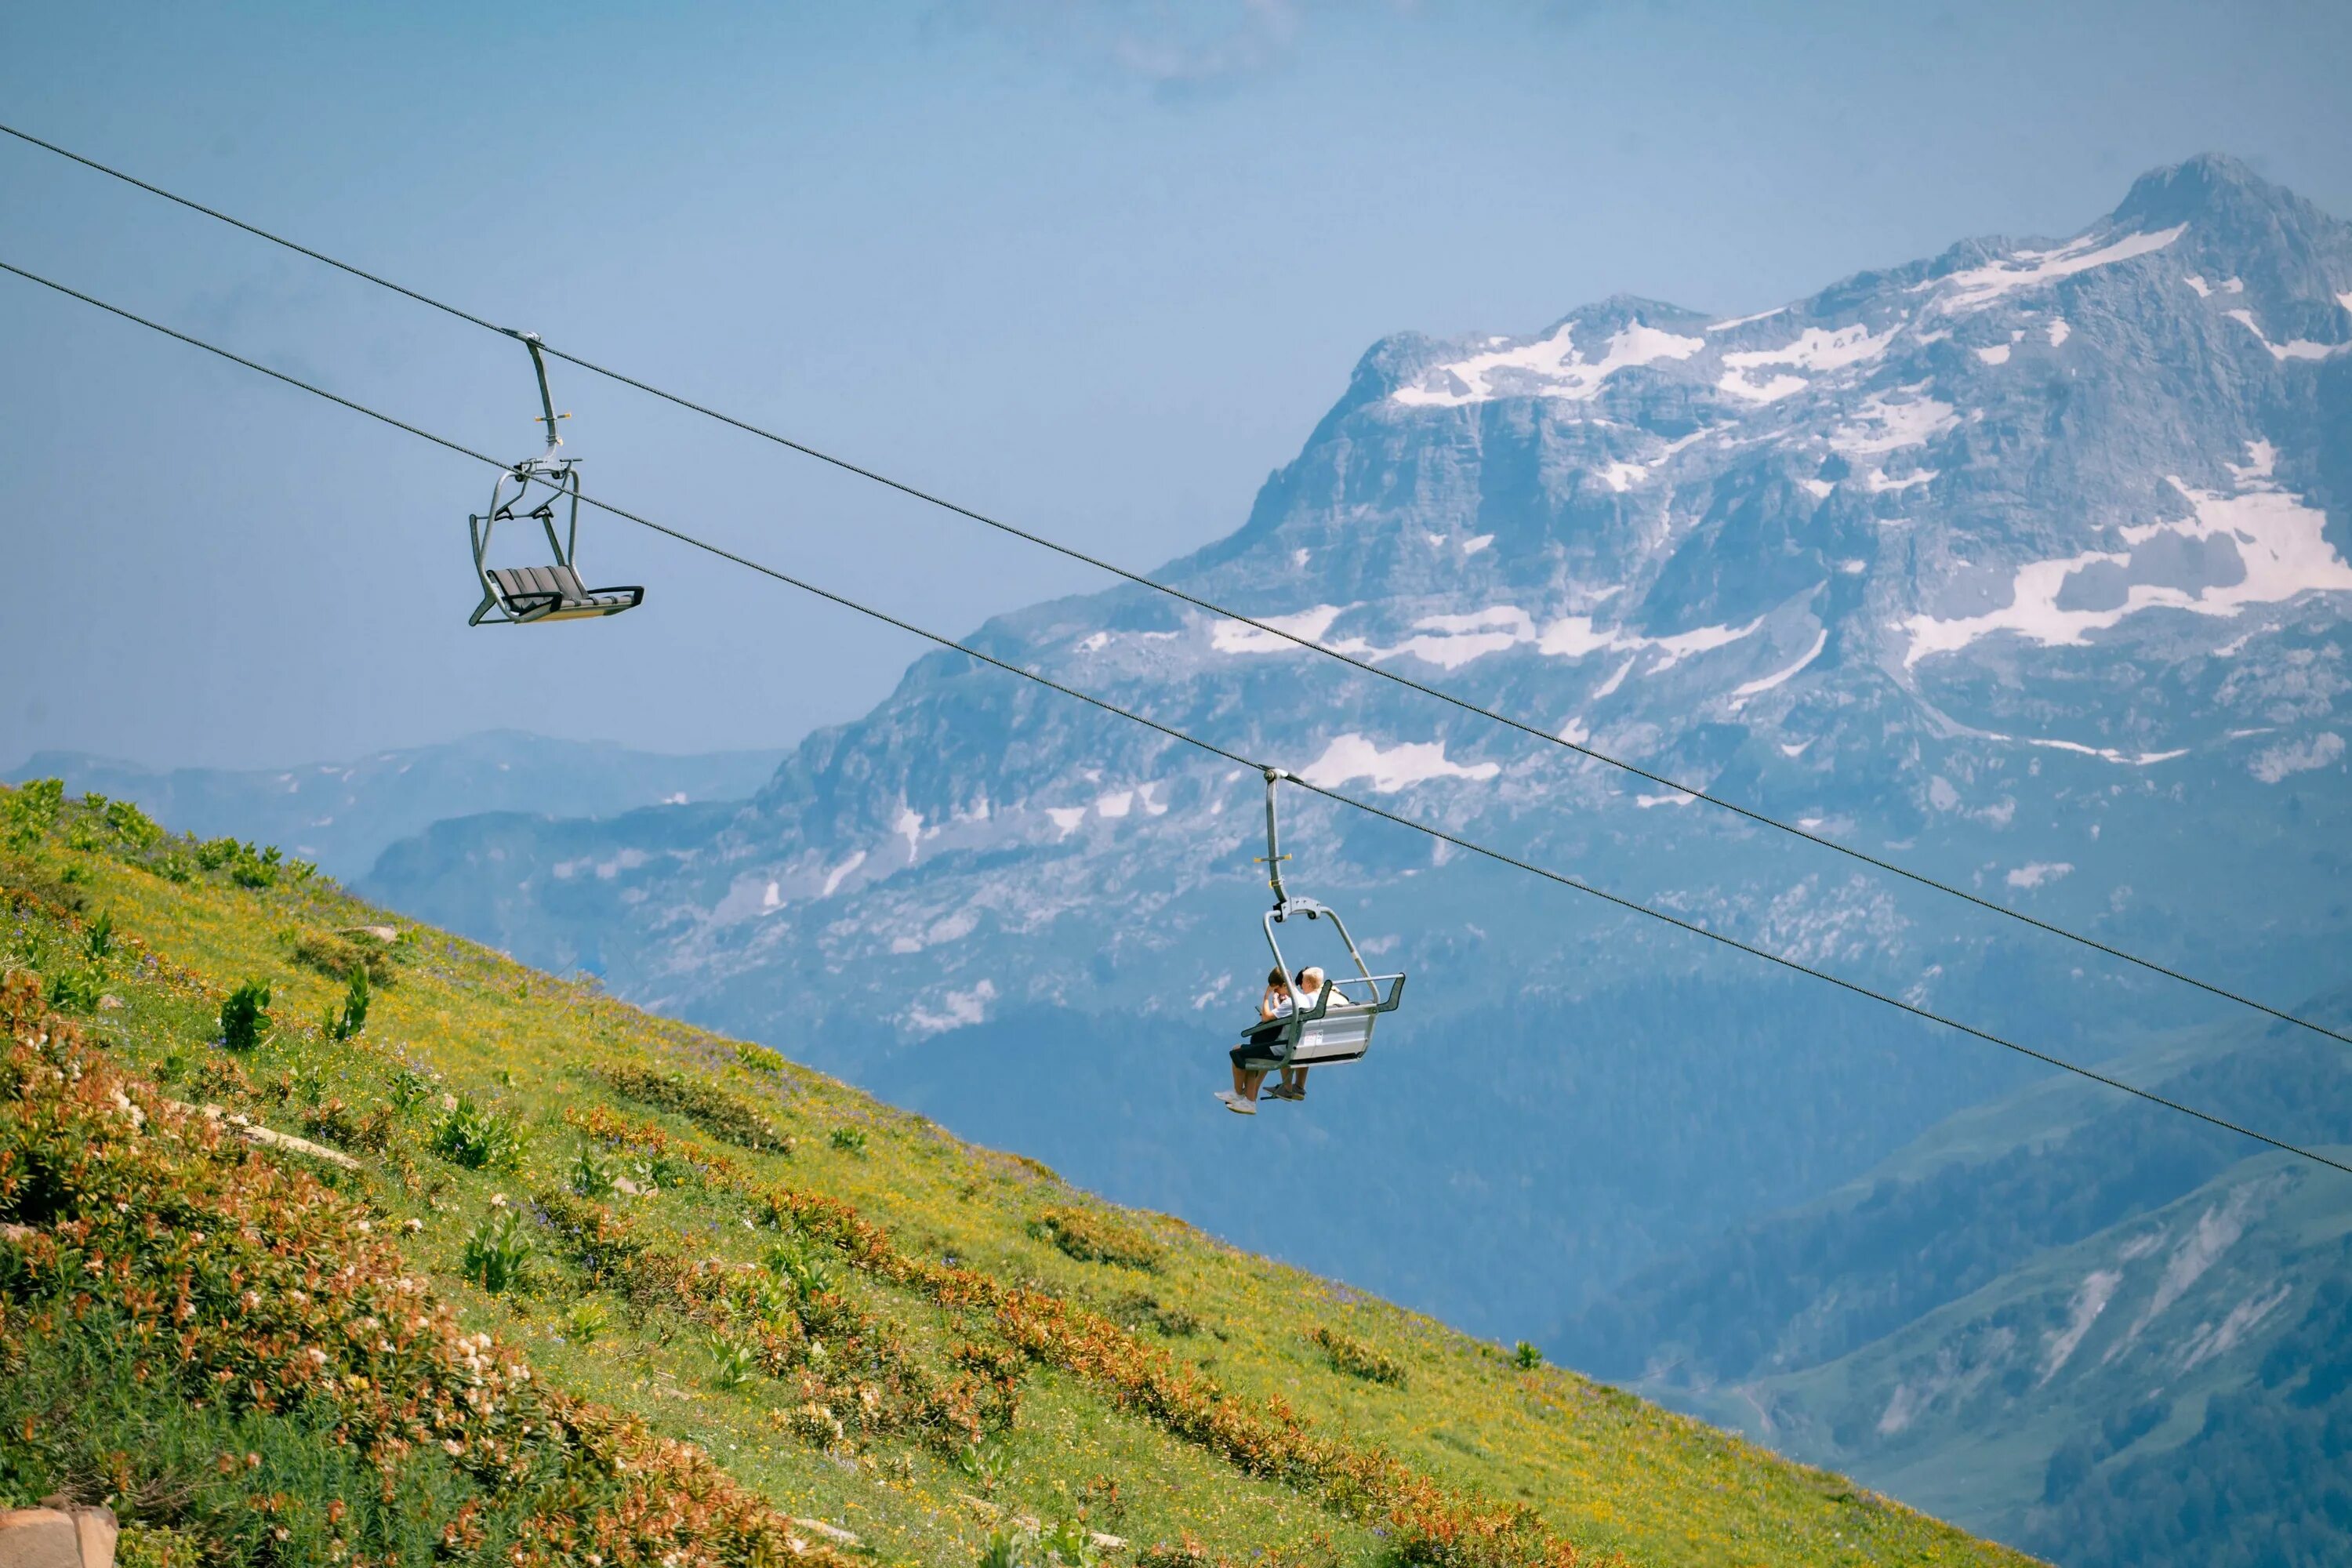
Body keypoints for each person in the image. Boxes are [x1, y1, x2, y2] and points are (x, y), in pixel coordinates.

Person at [1218, 967, 1291, 1116]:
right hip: (1290, 1047)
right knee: (1252, 1049)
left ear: (1284, 985)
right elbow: (1283, 1015)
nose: (1276, 992)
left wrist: (1267, 996)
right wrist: (1277, 1002)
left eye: (1276, 989)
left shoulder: (1290, 1003)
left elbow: (1266, 1017)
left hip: (1278, 1049)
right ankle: (1244, 1098)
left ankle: (1241, 1096)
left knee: (1238, 1051)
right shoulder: (1298, 1000)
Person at [1267, 967, 1327, 1101]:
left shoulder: (1307, 999)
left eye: (1302, 982)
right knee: (1303, 1040)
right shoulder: (1320, 999)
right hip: (1318, 1042)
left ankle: (1286, 1088)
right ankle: (1299, 1086)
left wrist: (1274, 1002)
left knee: (1287, 1041)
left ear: (1309, 984)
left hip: (1296, 1045)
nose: (1299, 985)